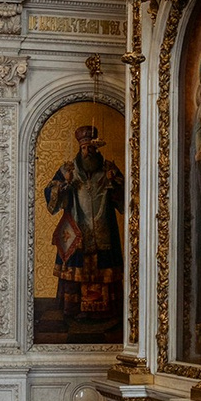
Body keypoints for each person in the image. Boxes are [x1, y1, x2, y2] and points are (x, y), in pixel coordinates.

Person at [43, 126, 127, 322]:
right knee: (76, 264)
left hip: (103, 228)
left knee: (103, 265)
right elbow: (51, 194)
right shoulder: (68, 169)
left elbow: (125, 198)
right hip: (77, 227)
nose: (88, 152)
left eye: (91, 147)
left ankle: (105, 310)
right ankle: (74, 309)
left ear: (97, 148)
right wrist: (65, 185)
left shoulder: (108, 169)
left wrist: (114, 183)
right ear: (79, 149)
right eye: (84, 148)